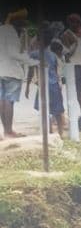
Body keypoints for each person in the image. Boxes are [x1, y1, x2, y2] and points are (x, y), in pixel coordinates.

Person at [0, 8, 30, 138]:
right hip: (11, 71)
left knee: (1, 99)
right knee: (9, 100)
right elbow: (15, 54)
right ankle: (8, 131)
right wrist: (32, 61)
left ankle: (5, 130)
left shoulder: (1, 30)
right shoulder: (11, 33)